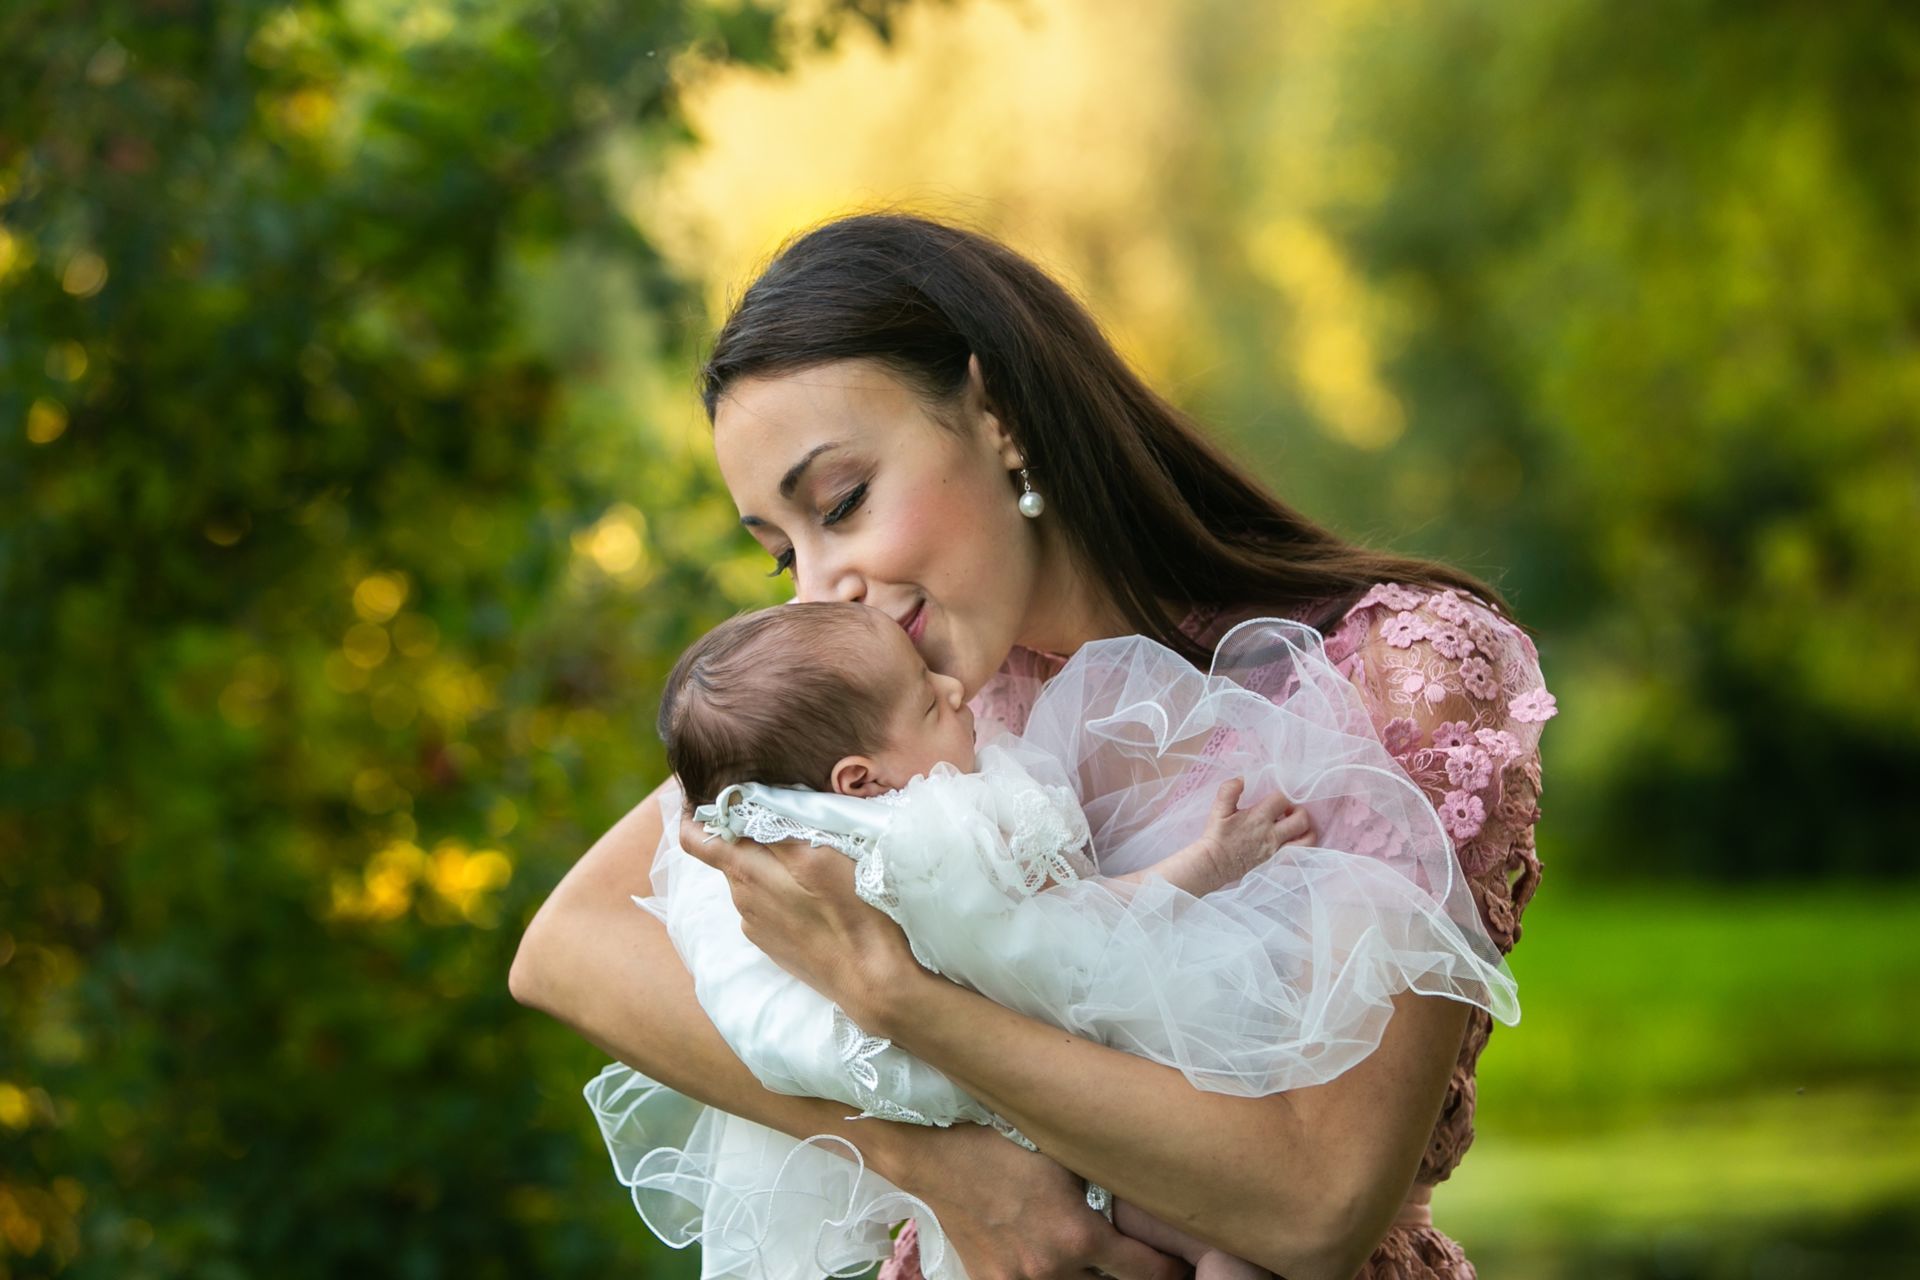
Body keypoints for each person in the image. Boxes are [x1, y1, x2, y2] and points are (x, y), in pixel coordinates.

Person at [511, 212, 1556, 1280]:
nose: (826, 587)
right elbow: (571, 943)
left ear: (998, 415)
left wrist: (899, 1002)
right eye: (784, 554)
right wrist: (934, 1160)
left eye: (843, 502)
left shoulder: (1392, 676)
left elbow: (1314, 1203)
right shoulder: (912, 719)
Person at [589, 600, 1518, 1280]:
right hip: (1057, 1114)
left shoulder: (818, 815)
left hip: (1067, 1133)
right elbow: (1072, 938)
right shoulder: (896, 836)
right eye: (926, 702)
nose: (955, 688)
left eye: (843, 500)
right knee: (1211, 1241)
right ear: (859, 779)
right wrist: (1207, 866)